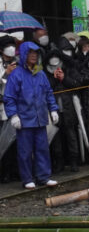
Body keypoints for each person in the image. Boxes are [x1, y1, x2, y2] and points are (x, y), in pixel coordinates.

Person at [3, 42, 59, 189]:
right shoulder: (16, 74)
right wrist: (13, 115)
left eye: (35, 53)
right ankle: (27, 178)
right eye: (30, 53)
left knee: (42, 148)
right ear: (24, 55)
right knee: (25, 151)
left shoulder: (40, 73)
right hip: (24, 119)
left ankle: (43, 176)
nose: (33, 55)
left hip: (40, 118)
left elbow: (48, 92)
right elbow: (9, 97)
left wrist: (53, 109)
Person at [43, 48, 82, 172]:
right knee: (56, 136)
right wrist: (55, 79)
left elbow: (77, 85)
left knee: (71, 134)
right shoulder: (44, 73)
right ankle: (59, 162)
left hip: (68, 106)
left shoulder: (68, 69)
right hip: (53, 108)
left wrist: (64, 78)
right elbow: (44, 89)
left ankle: (74, 161)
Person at [0, 35, 19, 182]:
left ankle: (15, 171)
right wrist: (5, 74)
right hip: (2, 107)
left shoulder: (18, 62)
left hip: (15, 107)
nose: (11, 48)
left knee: (15, 141)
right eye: (8, 46)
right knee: (3, 140)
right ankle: (4, 172)